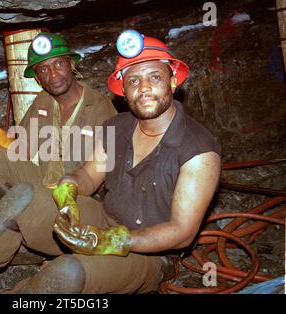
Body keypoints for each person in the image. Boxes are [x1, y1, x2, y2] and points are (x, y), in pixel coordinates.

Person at [15, 30, 222, 294]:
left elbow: (182, 231)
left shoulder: (198, 149)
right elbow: (89, 177)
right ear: (123, 90)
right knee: (23, 200)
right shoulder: (117, 127)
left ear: (173, 82)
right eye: (133, 81)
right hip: (105, 219)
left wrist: (112, 241)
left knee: (67, 272)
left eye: (155, 77)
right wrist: (68, 191)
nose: (144, 88)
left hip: (152, 255)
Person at [0, 32, 117, 293]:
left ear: (72, 64)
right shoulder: (43, 103)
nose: (53, 74)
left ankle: (10, 230)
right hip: (39, 188)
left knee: (24, 202)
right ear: (37, 78)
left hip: (80, 201)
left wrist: (46, 197)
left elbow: (102, 175)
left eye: (58, 64)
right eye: (43, 69)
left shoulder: (100, 107)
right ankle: (21, 220)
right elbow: (20, 150)